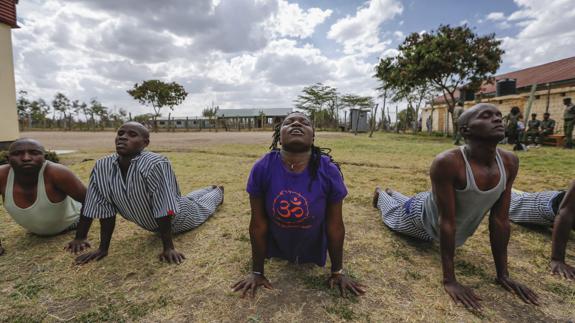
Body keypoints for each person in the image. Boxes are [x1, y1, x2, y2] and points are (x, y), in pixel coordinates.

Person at [373, 103, 538, 310]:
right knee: (393, 214)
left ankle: (392, 192)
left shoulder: (510, 161)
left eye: (498, 115)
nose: (497, 119)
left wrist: (503, 275)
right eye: (486, 116)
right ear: (465, 130)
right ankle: (381, 194)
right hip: (422, 220)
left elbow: (500, 220)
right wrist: (449, 280)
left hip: (433, 203)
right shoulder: (448, 162)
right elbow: (446, 222)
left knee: (410, 201)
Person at [232, 112, 365, 298]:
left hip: (314, 246)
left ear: (313, 136)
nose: (296, 123)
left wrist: (337, 272)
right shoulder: (262, 167)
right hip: (276, 246)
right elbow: (258, 224)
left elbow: (335, 225)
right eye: (288, 122)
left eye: (304, 123)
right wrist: (257, 273)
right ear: (279, 136)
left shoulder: (328, 170)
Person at [66, 122, 224, 264]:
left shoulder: (154, 163)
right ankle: (208, 188)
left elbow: (164, 207)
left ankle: (218, 191)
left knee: (204, 206)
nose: (123, 137)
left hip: (179, 218)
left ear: (145, 143)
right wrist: (102, 249)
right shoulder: (102, 166)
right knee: (189, 199)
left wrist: (168, 248)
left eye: (132, 135)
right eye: (120, 133)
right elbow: (105, 211)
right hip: (170, 210)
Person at [0, 139, 86, 256]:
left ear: (44, 157)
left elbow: (90, 201)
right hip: (36, 230)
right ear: (8, 158)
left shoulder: (57, 173)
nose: (26, 158)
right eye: (17, 153)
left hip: (72, 222)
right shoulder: (2, 176)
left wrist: (80, 237)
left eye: (34, 153)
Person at [509, 185, 575, 279]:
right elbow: (565, 213)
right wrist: (557, 259)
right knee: (509, 202)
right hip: (551, 204)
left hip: (561, 206)